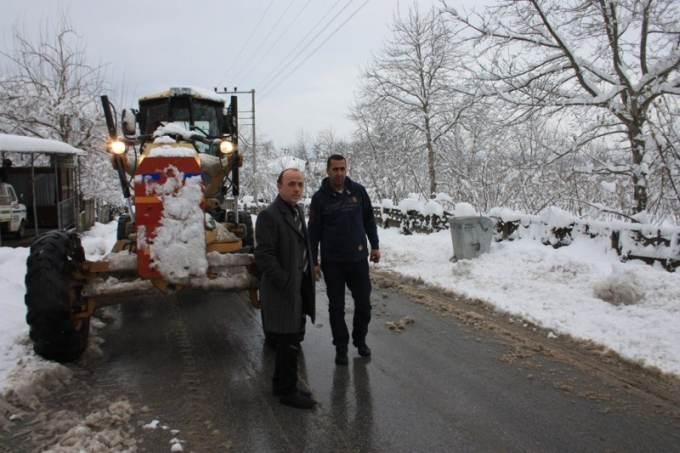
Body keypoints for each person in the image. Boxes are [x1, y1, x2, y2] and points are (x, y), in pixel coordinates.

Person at [308, 154, 380, 366]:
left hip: (358, 259)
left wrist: (374, 245)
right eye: (335, 169)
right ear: (328, 171)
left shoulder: (358, 191)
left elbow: (369, 219)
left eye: (342, 169)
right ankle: (341, 346)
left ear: (346, 169)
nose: (339, 173)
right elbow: (314, 232)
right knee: (336, 307)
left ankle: (360, 339)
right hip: (333, 262)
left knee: (364, 304)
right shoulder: (319, 198)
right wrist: (314, 261)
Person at [255, 168, 316, 409]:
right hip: (282, 289)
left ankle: (281, 383)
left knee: (289, 335)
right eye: (291, 184)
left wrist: (309, 270)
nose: (297, 189)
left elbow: (303, 244)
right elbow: (264, 255)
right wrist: (286, 281)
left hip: (298, 284)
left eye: (300, 184)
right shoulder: (269, 215)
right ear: (279, 186)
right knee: (288, 338)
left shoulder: (297, 211)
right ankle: (288, 392)